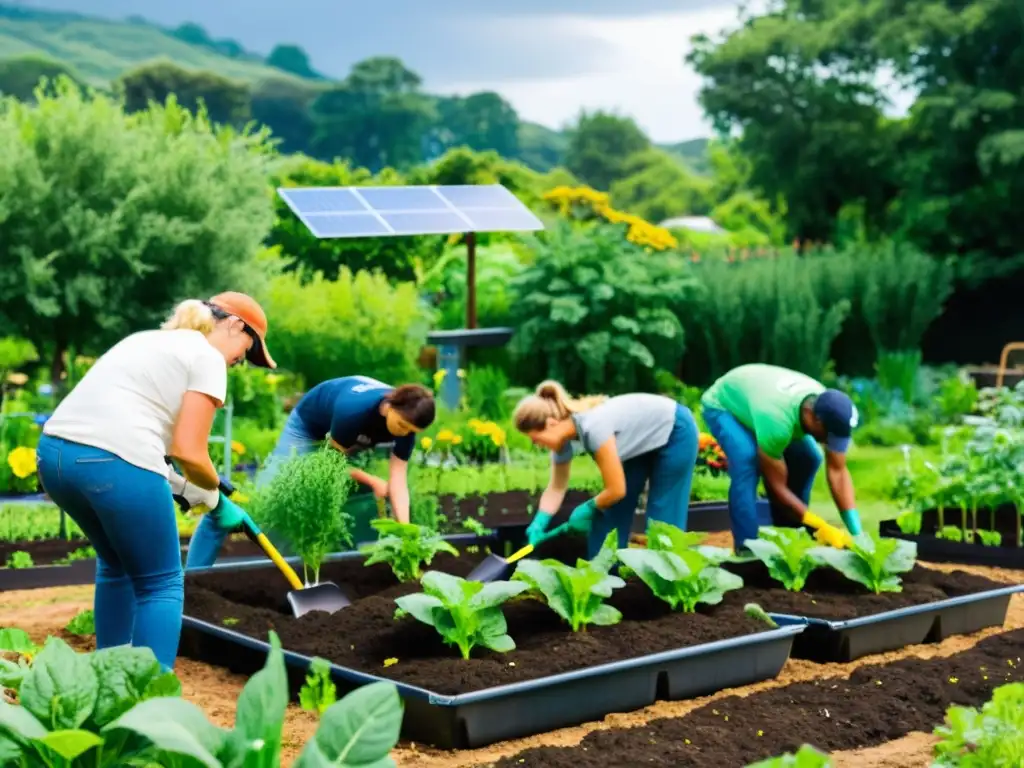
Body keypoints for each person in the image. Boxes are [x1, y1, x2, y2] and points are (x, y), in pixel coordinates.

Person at [35, 292, 274, 671]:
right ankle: (151, 702)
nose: (241, 361)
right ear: (234, 325)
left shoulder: (145, 340)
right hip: (113, 462)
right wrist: (214, 494)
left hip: (56, 457)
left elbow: (137, 447)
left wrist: (189, 488)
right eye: (248, 349)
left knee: (115, 564)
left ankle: (107, 679)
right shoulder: (207, 358)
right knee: (161, 584)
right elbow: (190, 452)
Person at [185, 374, 434, 568]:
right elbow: (329, 468)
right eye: (401, 425)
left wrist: (405, 531)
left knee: (299, 513)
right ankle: (197, 568)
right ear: (390, 405)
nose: (403, 433)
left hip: (346, 438)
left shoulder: (406, 427)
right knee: (268, 500)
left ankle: (285, 569)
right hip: (308, 427)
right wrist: (369, 479)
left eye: (411, 431)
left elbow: (398, 482)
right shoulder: (354, 411)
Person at [513, 380, 699, 558]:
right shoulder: (562, 443)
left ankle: (668, 583)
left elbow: (616, 489)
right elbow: (556, 488)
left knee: (663, 518)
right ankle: (608, 578)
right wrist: (539, 522)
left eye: (536, 439)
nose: (536, 445)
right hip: (641, 442)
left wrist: (586, 508)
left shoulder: (594, 428)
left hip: (675, 430)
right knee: (610, 514)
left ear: (551, 424)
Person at [700, 363, 862, 553]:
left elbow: (838, 471)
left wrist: (857, 535)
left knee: (809, 458)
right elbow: (777, 488)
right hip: (724, 404)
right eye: (829, 435)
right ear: (813, 418)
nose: (830, 442)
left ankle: (789, 537)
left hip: (759, 396)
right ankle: (747, 550)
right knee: (747, 461)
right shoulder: (777, 423)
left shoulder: (829, 409)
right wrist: (819, 525)